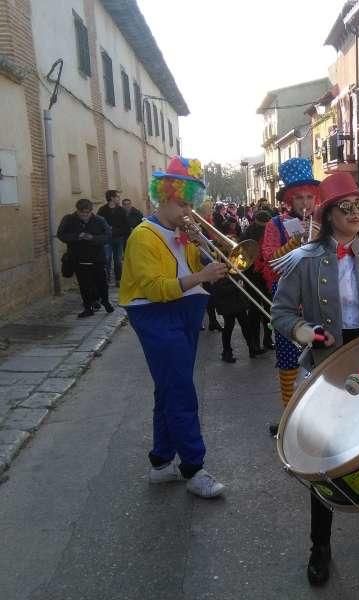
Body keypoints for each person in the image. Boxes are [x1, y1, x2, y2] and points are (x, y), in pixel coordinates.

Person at [270, 171, 359, 587]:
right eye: (346, 207)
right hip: (326, 363)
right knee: (326, 456)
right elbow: (280, 313)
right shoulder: (303, 259)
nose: (355, 214)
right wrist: (307, 332)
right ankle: (320, 546)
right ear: (330, 213)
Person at [119, 156, 229, 499]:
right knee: (180, 390)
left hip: (187, 309)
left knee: (168, 387)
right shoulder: (142, 235)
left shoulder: (182, 232)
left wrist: (205, 249)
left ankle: (161, 462)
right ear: (165, 196)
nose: (188, 210)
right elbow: (154, 288)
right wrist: (201, 276)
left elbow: (206, 265)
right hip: (156, 313)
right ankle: (194, 468)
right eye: (183, 203)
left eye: (191, 204)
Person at [256, 158, 320, 427]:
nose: (305, 203)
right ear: (290, 201)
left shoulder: (323, 221)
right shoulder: (276, 225)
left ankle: (316, 413)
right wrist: (296, 240)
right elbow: (271, 261)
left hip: (318, 298)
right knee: (287, 359)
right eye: (300, 198)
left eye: (309, 197)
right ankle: (289, 415)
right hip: (288, 302)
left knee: (319, 358)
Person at [57, 198, 114, 318]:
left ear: (91, 211)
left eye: (87, 213)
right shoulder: (69, 219)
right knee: (84, 285)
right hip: (78, 258)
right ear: (77, 211)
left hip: (97, 258)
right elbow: (61, 235)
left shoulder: (99, 220)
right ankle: (88, 308)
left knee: (101, 282)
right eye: (82, 213)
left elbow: (108, 236)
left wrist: (92, 238)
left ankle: (105, 301)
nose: (84, 215)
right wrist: (77, 236)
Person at [243, 210, 274, 353]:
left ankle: (267, 340)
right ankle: (254, 345)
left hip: (265, 276)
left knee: (268, 309)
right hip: (252, 275)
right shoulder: (248, 233)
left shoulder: (266, 231)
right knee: (255, 311)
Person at [97, 189, 127, 286]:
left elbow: (126, 226)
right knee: (107, 259)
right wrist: (106, 231)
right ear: (112, 198)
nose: (119, 198)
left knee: (118, 260)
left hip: (118, 238)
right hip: (107, 239)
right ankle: (107, 279)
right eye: (117, 197)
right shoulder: (102, 210)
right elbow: (98, 224)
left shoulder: (121, 210)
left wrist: (115, 230)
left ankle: (118, 279)